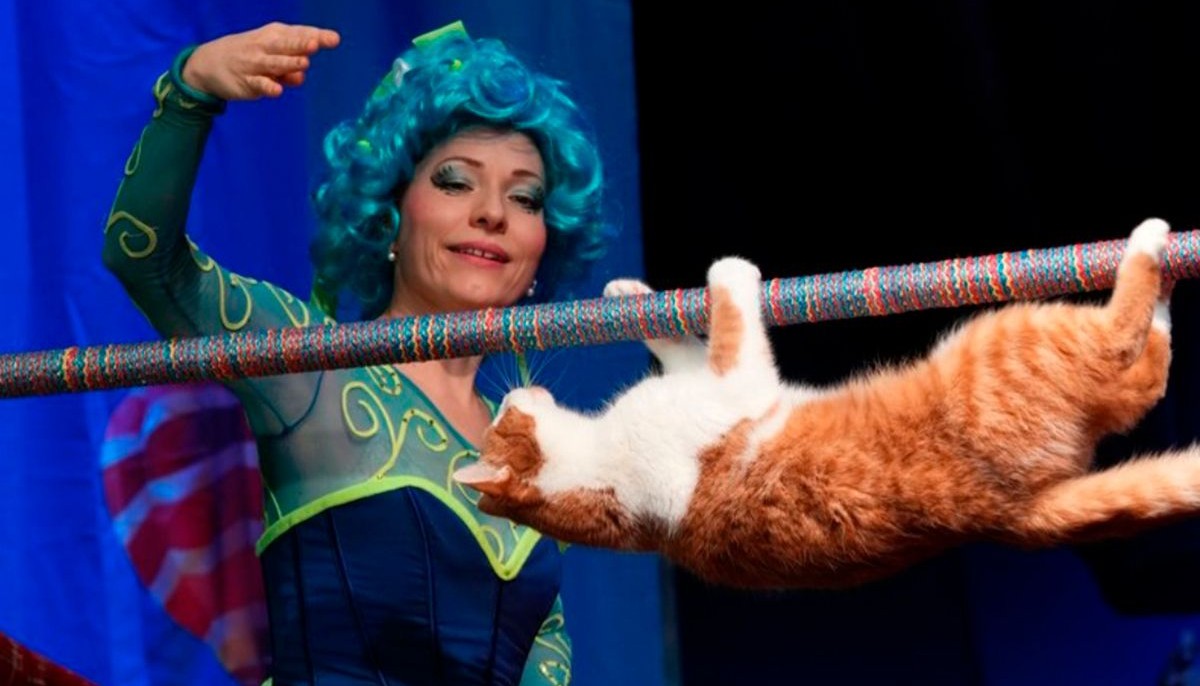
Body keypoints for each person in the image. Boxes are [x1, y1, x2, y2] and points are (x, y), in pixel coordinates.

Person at [102, 18, 611, 686]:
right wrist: (189, 91)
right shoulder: (314, 371)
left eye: (526, 197)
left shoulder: (534, 460)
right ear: (389, 218)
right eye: (456, 182)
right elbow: (147, 262)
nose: (493, 212)